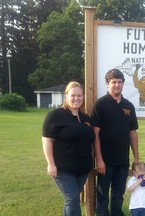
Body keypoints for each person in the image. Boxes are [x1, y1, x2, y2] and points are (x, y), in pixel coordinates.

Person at [42, 81, 95, 216]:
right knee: (73, 199)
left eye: (79, 95)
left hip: (82, 169)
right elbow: (47, 140)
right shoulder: (55, 115)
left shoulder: (85, 117)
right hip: (63, 169)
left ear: (83, 97)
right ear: (66, 96)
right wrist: (51, 164)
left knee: (70, 200)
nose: (76, 98)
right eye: (73, 95)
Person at [90, 69, 139, 216]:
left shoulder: (128, 106)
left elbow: (133, 133)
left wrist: (136, 159)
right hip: (105, 161)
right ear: (107, 84)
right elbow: (95, 134)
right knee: (103, 194)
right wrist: (99, 159)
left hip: (122, 160)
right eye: (113, 82)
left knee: (118, 195)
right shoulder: (100, 104)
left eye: (119, 82)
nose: (117, 85)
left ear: (123, 84)